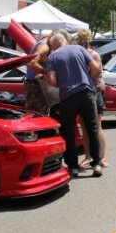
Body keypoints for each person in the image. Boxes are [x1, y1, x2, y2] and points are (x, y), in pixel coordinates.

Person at [44, 33, 103, 178]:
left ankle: (73, 167)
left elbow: (51, 80)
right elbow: (96, 68)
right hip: (86, 93)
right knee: (92, 129)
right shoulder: (79, 49)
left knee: (68, 131)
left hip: (67, 97)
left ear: (54, 45)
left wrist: (64, 83)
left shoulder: (53, 57)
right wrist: (87, 77)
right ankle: (96, 164)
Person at [75, 29, 109, 169]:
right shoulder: (82, 53)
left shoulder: (92, 54)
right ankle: (88, 156)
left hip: (94, 91)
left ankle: (102, 156)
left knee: (96, 126)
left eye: (80, 38)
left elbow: (96, 71)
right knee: (84, 125)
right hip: (84, 91)